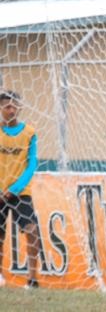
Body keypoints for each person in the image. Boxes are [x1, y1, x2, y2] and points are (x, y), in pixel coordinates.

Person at [0, 90, 42, 288]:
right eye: (7, 106)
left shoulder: (29, 133)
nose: (11, 110)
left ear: (20, 108)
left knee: (32, 231)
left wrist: (14, 189)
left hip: (20, 193)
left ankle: (32, 278)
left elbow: (32, 165)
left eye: (14, 106)